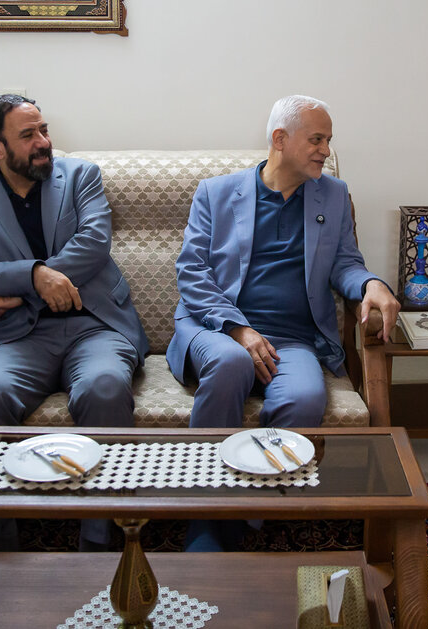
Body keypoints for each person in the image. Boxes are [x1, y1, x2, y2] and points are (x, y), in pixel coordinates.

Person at [168, 94, 400, 550]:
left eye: (328, 140)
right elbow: (191, 272)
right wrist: (239, 330)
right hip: (217, 327)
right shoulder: (216, 192)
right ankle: (203, 518)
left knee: (305, 397)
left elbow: (345, 263)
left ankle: (248, 513)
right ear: (279, 139)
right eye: (317, 139)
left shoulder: (333, 195)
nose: (326, 150)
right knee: (232, 363)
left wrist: (372, 284)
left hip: (293, 339)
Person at [0, 94, 148, 550]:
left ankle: (100, 542)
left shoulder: (81, 176)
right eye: (28, 135)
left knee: (104, 388)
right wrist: (35, 276)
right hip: (22, 335)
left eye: (43, 129)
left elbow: (93, 244)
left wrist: (22, 288)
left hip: (95, 324)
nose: (43, 142)